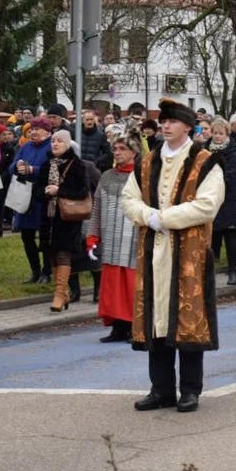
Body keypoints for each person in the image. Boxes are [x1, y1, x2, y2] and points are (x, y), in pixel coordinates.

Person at [120, 98, 226, 413]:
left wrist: (164, 218)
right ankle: (161, 388)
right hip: (154, 250)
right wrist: (147, 216)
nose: (165, 126)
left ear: (187, 126)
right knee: (157, 318)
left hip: (189, 251)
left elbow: (207, 205)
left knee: (189, 317)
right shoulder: (147, 161)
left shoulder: (205, 161)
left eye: (172, 121)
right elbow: (128, 198)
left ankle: (190, 389)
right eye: (163, 121)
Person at [88, 129, 143, 343]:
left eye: (123, 149)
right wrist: (93, 235)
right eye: (115, 149)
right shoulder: (107, 176)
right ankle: (118, 328)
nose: (117, 152)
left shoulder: (142, 176)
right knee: (112, 287)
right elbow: (97, 209)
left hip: (133, 239)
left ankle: (134, 327)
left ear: (134, 151)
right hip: (111, 239)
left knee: (131, 286)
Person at [31, 130, 89, 312]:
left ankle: (59, 293)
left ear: (67, 144)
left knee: (64, 253)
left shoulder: (77, 165)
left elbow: (82, 191)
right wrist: (45, 192)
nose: (55, 144)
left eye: (59, 142)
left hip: (68, 217)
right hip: (49, 217)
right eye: (53, 141)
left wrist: (59, 190)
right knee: (52, 254)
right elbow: (37, 192)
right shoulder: (46, 165)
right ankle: (63, 295)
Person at [10, 117, 54, 283]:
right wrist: (17, 166)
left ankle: (47, 271)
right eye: (32, 129)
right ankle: (34, 270)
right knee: (26, 236)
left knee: (45, 236)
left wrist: (33, 169)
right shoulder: (26, 146)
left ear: (46, 131)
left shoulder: (52, 145)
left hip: (43, 197)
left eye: (37, 129)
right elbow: (12, 166)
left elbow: (53, 167)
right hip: (24, 195)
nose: (33, 132)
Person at [207, 118, 236, 285]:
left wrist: (214, 182)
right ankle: (208, 270)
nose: (217, 137)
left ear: (226, 134)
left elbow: (230, 174)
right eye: (215, 133)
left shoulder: (232, 152)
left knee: (230, 236)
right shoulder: (205, 150)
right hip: (210, 197)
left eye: (221, 133)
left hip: (228, 198)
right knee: (212, 235)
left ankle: (232, 270)